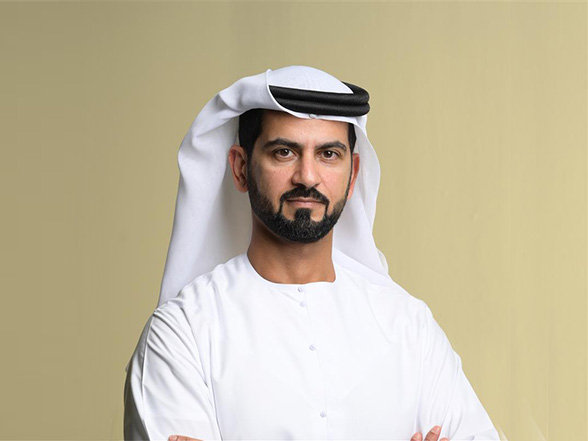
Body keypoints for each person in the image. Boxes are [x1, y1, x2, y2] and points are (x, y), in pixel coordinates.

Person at [123, 66, 500, 441]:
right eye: (284, 152)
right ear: (240, 168)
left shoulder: (409, 326)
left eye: (328, 154)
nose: (307, 176)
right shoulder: (182, 332)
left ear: (352, 175)